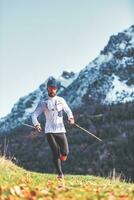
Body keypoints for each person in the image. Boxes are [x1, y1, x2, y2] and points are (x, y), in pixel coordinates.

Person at [32, 77, 75, 179]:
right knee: (55, 152)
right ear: (47, 89)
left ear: (56, 89)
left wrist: (71, 118)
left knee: (65, 152)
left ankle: (60, 158)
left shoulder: (61, 100)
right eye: (50, 88)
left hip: (61, 130)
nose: (52, 89)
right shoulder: (43, 102)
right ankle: (60, 174)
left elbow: (68, 110)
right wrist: (37, 124)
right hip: (49, 131)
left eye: (54, 88)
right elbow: (34, 115)